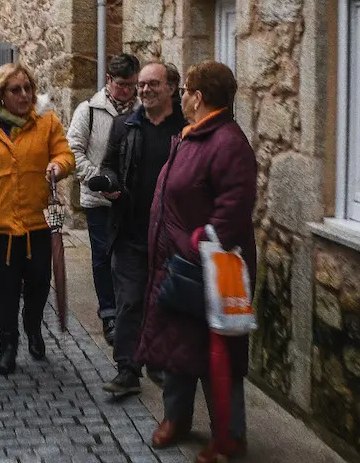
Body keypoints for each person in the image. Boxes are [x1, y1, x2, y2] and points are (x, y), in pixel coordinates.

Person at [137, 61, 256, 463]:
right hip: (177, 266)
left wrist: (196, 241)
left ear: (198, 97)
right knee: (177, 346)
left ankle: (229, 436)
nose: (181, 95)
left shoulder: (228, 143)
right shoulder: (193, 135)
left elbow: (234, 210)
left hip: (208, 271)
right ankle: (177, 418)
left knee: (218, 355)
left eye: (185, 89)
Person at [0, 62, 75, 375]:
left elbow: (65, 154)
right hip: (0, 224)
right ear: (0, 95)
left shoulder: (46, 122)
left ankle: (33, 328)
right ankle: (8, 344)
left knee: (40, 282)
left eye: (28, 88)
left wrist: (58, 166)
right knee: (7, 287)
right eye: (16, 90)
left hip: (39, 221)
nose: (25, 95)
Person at [89, 62, 186, 393]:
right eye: (141, 85)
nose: (144, 90)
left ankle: (160, 359)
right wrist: (110, 184)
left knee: (165, 302)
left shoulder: (186, 129)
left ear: (172, 88)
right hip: (130, 230)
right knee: (129, 301)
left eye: (152, 84)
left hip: (172, 236)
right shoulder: (124, 126)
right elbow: (110, 166)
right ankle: (127, 370)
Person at [66, 53, 140, 346]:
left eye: (131, 85)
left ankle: (128, 312)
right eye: (122, 84)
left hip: (130, 200)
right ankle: (109, 313)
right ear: (109, 80)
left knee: (130, 257)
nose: (127, 91)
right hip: (98, 198)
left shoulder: (141, 110)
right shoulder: (89, 110)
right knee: (102, 256)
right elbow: (73, 150)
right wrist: (99, 178)